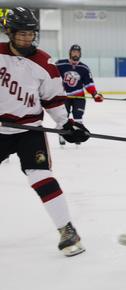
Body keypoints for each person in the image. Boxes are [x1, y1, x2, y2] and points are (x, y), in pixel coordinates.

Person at [0, 7, 89, 256]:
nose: (28, 39)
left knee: (40, 176)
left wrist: (67, 126)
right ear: (9, 32)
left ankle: (67, 230)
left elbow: (53, 100)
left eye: (31, 34)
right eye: (22, 34)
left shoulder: (45, 63)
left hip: (29, 130)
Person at [56, 44, 103, 145]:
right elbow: (52, 77)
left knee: (78, 118)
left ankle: (78, 136)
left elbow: (89, 83)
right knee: (63, 118)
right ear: (70, 53)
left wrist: (95, 94)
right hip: (64, 96)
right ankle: (62, 136)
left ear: (80, 54)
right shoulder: (60, 64)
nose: (75, 54)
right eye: (74, 52)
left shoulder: (84, 68)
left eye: (77, 52)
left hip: (79, 97)